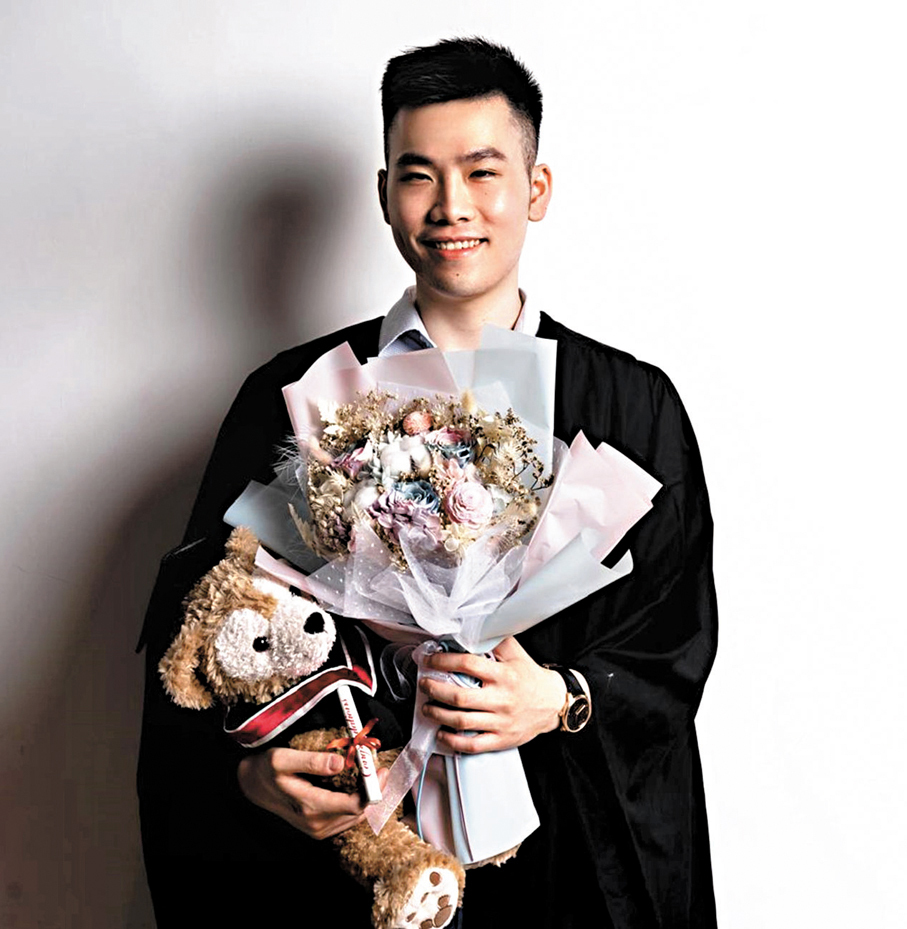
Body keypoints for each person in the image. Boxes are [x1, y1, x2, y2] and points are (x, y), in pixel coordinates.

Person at [138, 37, 718, 929]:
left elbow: (675, 636)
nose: (451, 206)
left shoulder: (630, 405)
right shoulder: (292, 398)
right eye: (418, 175)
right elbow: (201, 632)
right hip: (356, 866)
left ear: (535, 188)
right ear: (383, 195)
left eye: (483, 172)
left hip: (563, 867)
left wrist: (561, 697)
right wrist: (253, 777)